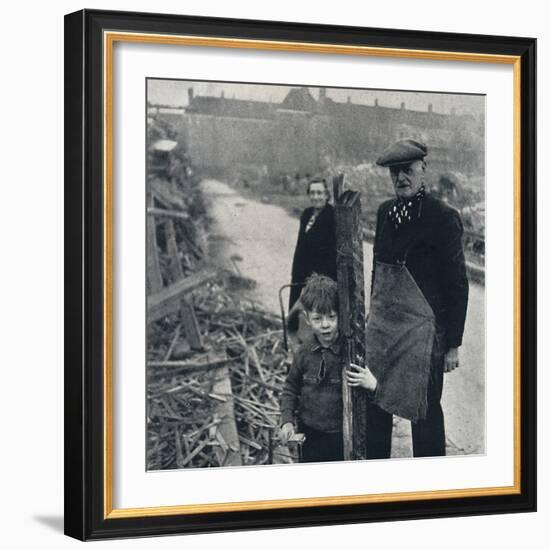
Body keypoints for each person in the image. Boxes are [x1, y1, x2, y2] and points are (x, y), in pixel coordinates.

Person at [365, 139, 469, 459]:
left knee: (423, 412)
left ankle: (430, 483)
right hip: (385, 332)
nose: (401, 179)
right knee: (376, 403)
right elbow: (378, 273)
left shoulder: (442, 217)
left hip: (425, 337)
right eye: (395, 173)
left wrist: (452, 343)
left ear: (423, 169)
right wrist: (373, 317)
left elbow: (457, 283)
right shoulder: (385, 213)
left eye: (408, 170)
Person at [279, 274, 377, 463]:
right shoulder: (304, 352)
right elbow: (290, 388)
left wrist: (372, 385)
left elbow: (375, 397)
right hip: (310, 433)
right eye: (317, 319)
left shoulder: (353, 353)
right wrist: (287, 420)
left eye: (332, 317)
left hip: (343, 436)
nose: (325, 325)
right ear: (307, 319)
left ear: (341, 315)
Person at [287, 177, 337, 332]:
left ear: (327, 195)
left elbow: (332, 252)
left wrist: (317, 279)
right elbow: (301, 245)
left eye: (320, 193)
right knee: (295, 314)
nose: (316, 197)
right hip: (301, 272)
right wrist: (297, 272)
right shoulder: (306, 214)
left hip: (321, 277)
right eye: (313, 193)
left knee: (319, 315)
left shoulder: (333, 216)